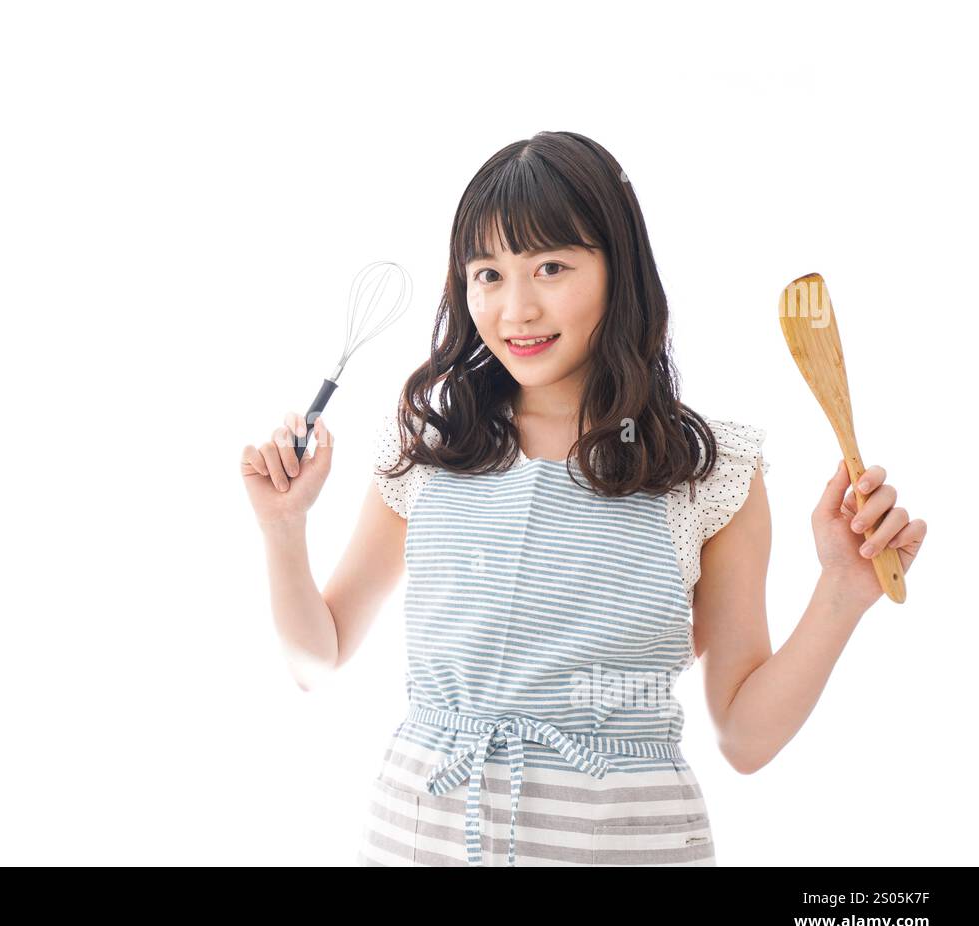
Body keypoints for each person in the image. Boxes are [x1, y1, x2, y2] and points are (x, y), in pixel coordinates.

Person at [238, 131, 928, 866]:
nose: (516, 309)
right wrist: (283, 529)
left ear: (618, 272)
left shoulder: (706, 468)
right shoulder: (431, 450)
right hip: (420, 838)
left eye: (552, 266)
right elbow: (319, 660)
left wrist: (843, 591)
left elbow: (745, 739)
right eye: (488, 275)